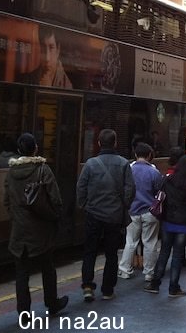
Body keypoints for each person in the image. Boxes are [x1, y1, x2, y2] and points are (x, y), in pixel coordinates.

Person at [4, 133, 68, 319]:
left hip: (19, 231)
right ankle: (52, 303)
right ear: (35, 149)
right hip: (41, 230)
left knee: (22, 273)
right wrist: (55, 217)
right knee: (47, 267)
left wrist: (16, 218)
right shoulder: (43, 170)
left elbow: (7, 201)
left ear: (18, 151)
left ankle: (24, 312)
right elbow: (55, 199)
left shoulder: (11, 172)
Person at [76, 128, 135, 302]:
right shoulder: (124, 164)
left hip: (93, 214)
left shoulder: (91, 164)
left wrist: (84, 205)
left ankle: (87, 286)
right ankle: (108, 289)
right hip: (114, 216)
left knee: (90, 251)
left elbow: (81, 187)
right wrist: (123, 205)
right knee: (111, 253)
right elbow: (130, 189)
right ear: (115, 143)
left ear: (99, 143)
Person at [144, 155, 186, 297]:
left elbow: (160, 195)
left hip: (168, 221)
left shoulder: (168, 180)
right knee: (177, 255)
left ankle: (155, 284)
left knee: (164, 252)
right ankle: (173, 287)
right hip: (184, 223)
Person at [118, 142, 162, 281]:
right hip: (150, 212)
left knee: (130, 241)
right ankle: (149, 273)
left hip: (132, 211)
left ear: (135, 155)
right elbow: (159, 192)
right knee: (150, 243)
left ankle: (125, 270)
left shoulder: (129, 169)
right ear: (150, 155)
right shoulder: (154, 172)